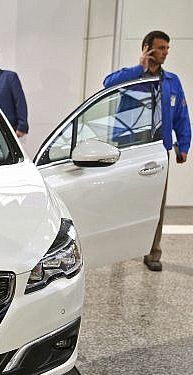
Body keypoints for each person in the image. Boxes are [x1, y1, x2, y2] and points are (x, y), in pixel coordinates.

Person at [103, 30, 190, 272]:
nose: (165, 53)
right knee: (124, 201)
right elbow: (107, 84)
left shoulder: (172, 81)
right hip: (130, 151)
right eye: (160, 48)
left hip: (159, 151)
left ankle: (153, 252)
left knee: (156, 204)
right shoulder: (131, 77)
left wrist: (183, 145)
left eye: (167, 49)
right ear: (146, 48)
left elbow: (182, 114)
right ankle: (121, 248)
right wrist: (138, 67)